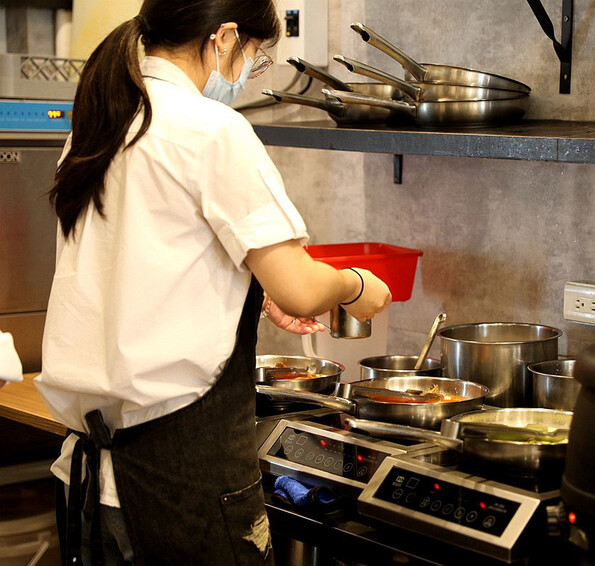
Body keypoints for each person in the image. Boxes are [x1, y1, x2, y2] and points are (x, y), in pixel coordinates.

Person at [34, 1, 392, 564]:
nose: (251, 69)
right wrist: (355, 285)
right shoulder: (211, 129)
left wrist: (250, 288)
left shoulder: (101, 123)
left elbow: (144, 265)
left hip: (90, 479)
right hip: (180, 480)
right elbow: (301, 287)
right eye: (256, 54)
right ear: (224, 37)